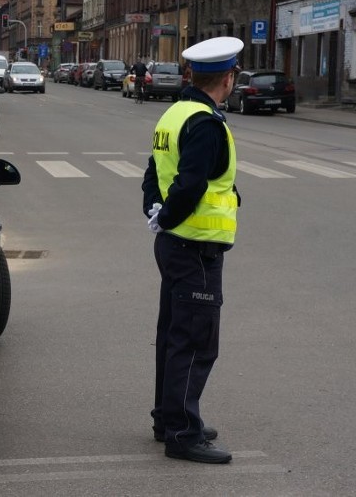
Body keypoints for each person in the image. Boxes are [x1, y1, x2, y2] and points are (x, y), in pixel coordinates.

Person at [141, 36, 244, 465]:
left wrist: (154, 212)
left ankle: (169, 418)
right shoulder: (205, 123)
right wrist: (167, 218)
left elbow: (152, 174)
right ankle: (182, 433)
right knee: (195, 341)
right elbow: (191, 184)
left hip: (173, 244)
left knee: (172, 335)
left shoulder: (174, 113)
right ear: (228, 77)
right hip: (195, 247)